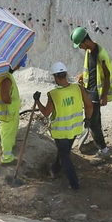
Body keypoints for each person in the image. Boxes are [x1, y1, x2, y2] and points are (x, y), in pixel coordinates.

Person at [37, 62, 90, 191]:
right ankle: (55, 169)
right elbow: (89, 105)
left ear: (55, 77)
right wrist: (88, 119)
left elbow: (46, 113)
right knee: (64, 151)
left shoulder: (53, 94)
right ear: (66, 74)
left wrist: (37, 100)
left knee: (65, 157)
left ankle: (74, 184)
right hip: (75, 128)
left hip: (60, 131)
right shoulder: (78, 88)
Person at [72, 28, 112, 157]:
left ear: (86, 41)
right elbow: (91, 69)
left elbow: (107, 76)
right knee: (94, 121)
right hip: (89, 90)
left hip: (96, 93)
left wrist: (104, 96)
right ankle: (98, 143)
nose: (80, 47)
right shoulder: (89, 50)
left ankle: (104, 151)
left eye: (80, 45)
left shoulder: (100, 55)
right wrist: (82, 76)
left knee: (92, 122)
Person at [0, 63, 21, 164]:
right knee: (7, 134)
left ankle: (8, 146)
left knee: (6, 132)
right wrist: (12, 102)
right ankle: (7, 158)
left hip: (3, 111)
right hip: (8, 112)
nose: (19, 67)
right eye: (18, 65)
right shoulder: (6, 79)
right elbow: (5, 98)